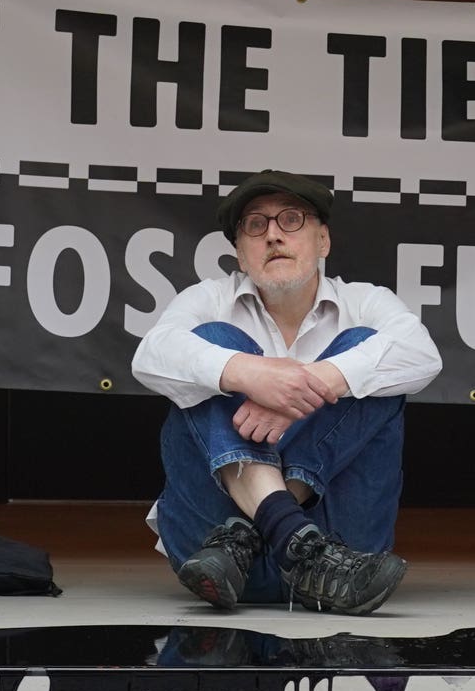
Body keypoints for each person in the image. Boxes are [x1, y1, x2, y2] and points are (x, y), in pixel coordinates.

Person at [130, 171, 437, 614]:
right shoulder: (209, 299)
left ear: (323, 241)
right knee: (211, 341)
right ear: (240, 253)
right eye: (255, 225)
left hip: (340, 560)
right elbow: (150, 356)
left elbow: (422, 354)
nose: (273, 235)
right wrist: (248, 374)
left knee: (368, 351)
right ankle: (290, 531)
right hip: (218, 559)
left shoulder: (365, 301)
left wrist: (306, 392)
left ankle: (268, 527)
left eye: (291, 220)